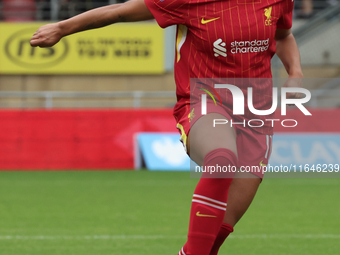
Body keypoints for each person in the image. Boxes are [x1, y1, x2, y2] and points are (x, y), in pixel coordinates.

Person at [30, 0, 303, 254]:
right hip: (204, 99)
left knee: (218, 230)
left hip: (255, 114)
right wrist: (62, 28)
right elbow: (120, 12)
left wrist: (296, 74)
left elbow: (283, 36)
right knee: (221, 160)